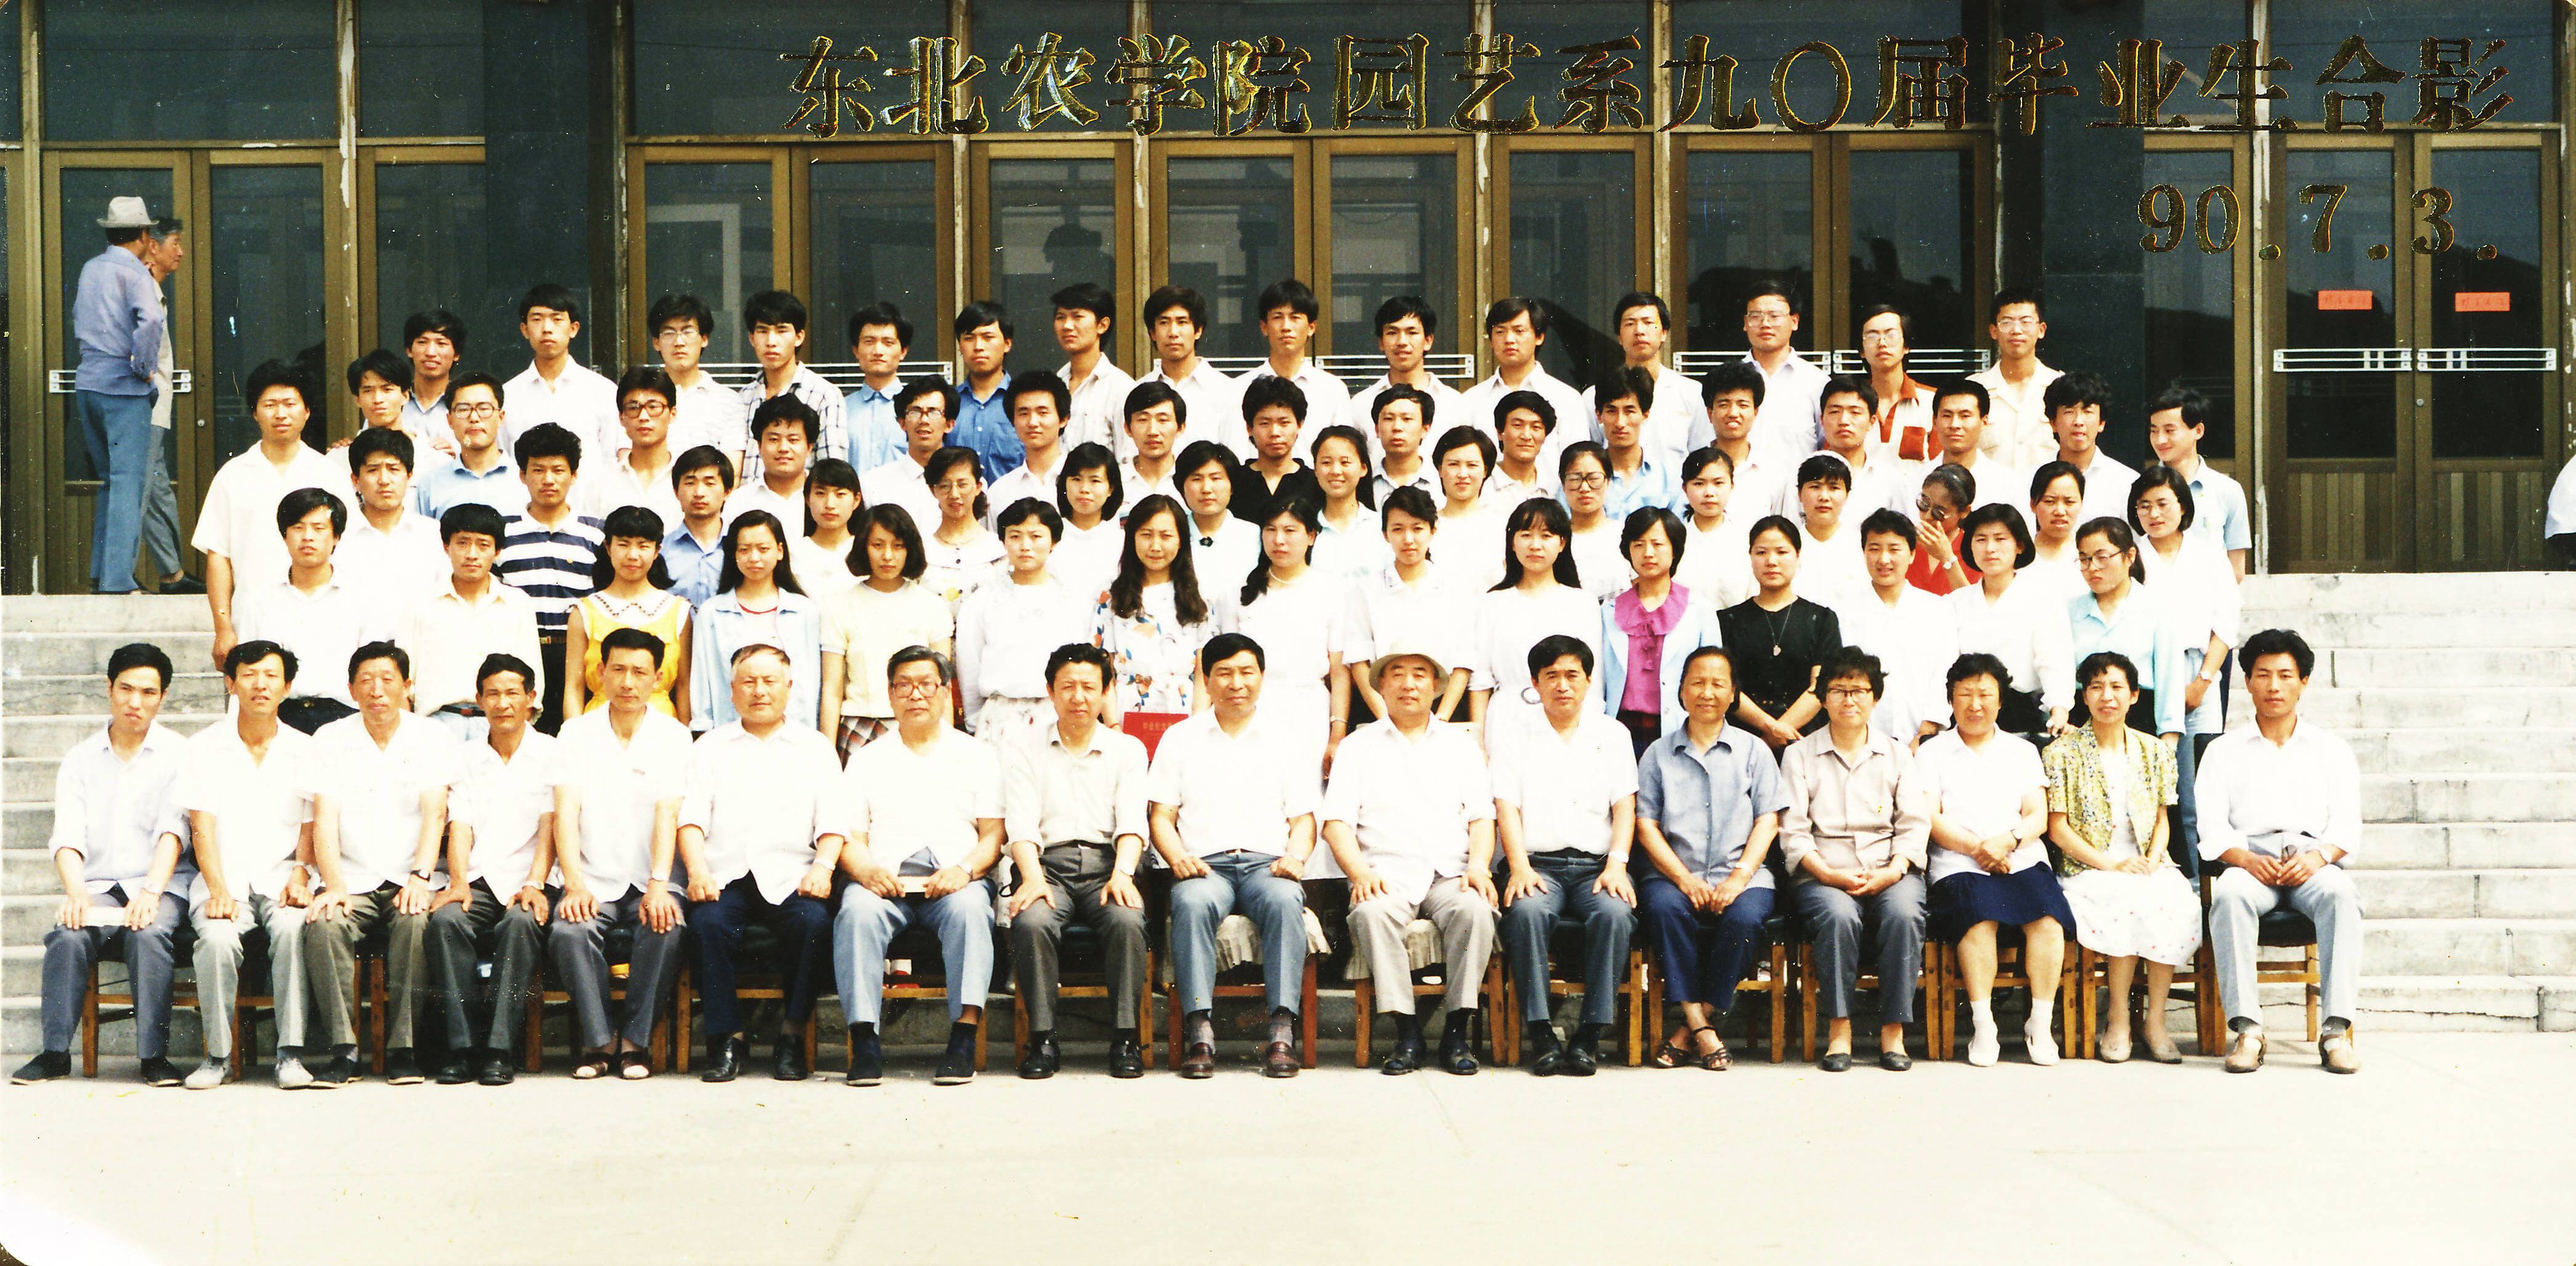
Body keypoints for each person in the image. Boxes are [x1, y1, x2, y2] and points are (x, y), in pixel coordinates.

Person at [14, 644, 190, 1087]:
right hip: (100, 886)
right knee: (68, 933)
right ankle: (55, 1052)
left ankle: (154, 1056)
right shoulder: (81, 758)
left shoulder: (179, 754)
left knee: (148, 933)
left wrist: (151, 891)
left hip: (162, 883)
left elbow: (174, 831)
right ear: (109, 688)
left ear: (163, 696)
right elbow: (67, 836)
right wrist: (76, 892)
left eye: (148, 692)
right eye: (126, 689)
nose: (136, 702)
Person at [1149, 636, 1322, 1077]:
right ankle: (1200, 1031)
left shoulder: (1285, 739)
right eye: (1223, 673)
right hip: (1205, 865)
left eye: (1246, 672)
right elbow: (1161, 816)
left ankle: (1281, 1032)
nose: (1236, 683)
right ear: (1206, 680)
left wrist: (1296, 857)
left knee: (1285, 900)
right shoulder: (1180, 738)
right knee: (1190, 902)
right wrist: (1177, 857)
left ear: (1262, 677)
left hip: (1267, 864)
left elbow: (1304, 820)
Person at [2196, 628, 2366, 1075]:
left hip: (2311, 859)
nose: (2274, 686)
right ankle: (2248, 1031)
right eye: (2263, 675)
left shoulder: (2331, 749)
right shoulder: (2222, 751)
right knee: (2229, 895)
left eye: (2285, 675)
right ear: (2247, 682)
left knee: (2342, 895)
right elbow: (2210, 827)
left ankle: (2336, 1032)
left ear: (2303, 682)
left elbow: (2347, 825)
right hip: (2250, 860)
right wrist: (2246, 859)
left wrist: (2318, 857)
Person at [1326, 643, 1500, 1076]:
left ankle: (1456, 1031)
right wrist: (1359, 873)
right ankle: (1407, 1033)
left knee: (1476, 909)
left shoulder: (1460, 745)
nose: (1409, 683)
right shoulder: (1357, 746)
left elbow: (1482, 817)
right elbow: (1336, 823)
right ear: (1381, 686)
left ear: (1436, 686)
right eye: (1397, 674)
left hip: (1451, 872)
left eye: (1420, 674)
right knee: (1370, 913)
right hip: (1385, 874)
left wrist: (1478, 866)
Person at [834, 647, 1005, 1086]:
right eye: (904, 685)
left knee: (971, 911)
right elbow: (851, 837)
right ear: (890, 694)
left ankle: (963, 1038)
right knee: (856, 912)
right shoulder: (867, 758)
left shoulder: (977, 754)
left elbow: (993, 835)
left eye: (927, 684)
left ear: (945, 692)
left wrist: (965, 870)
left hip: (955, 880)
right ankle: (865, 1041)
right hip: (884, 881)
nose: (916, 694)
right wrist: (867, 872)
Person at [679, 644, 846, 1082]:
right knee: (706, 925)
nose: (759, 691)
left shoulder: (814, 748)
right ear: (732, 689)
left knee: (813, 923)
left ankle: (791, 1035)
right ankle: (727, 1039)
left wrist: (823, 868)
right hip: (726, 875)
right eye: (748, 682)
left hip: (793, 875)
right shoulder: (710, 747)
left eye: (769, 681)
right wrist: (697, 871)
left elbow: (834, 821)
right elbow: (691, 820)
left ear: (789, 687)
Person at [301, 642, 458, 1087]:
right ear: (351, 689)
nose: (377, 690)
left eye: (388, 679)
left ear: (407, 686)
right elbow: (324, 820)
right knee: (325, 924)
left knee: (415, 921)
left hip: (412, 875)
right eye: (366, 680)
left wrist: (420, 877)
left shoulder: (432, 737)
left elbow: (436, 813)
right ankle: (343, 1049)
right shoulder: (330, 738)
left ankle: (403, 1049)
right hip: (351, 877)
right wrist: (333, 886)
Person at [174, 641, 323, 1089]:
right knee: (217, 939)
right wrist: (219, 890)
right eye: (249, 674)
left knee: (293, 928)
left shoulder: (305, 748)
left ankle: (290, 1054)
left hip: (283, 875)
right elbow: (201, 825)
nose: (261, 684)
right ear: (230, 682)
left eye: (271, 675)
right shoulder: (202, 747)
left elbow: (310, 822)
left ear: (287, 687)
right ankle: (217, 1056)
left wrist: (301, 873)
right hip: (223, 878)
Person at [548, 627, 695, 1080]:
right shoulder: (575, 733)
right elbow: (565, 811)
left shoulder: (674, 735)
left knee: (666, 926)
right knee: (570, 931)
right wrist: (574, 883)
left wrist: (658, 884)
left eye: (639, 672)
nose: (628, 682)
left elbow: (668, 811)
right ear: (600, 672)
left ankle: (635, 1042)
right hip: (591, 875)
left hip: (653, 875)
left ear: (658, 678)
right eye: (618, 670)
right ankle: (599, 1042)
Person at [1001, 644, 1153, 1079]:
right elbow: (1021, 824)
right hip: (1047, 865)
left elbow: (1132, 822)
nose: (1079, 697)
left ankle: (1125, 1038)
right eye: (1067, 686)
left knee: (1127, 920)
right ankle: (1042, 1039)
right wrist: (1032, 878)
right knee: (1032, 921)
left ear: (1106, 692)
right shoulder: (1024, 746)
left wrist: (1123, 874)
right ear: (1050, 691)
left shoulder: (1127, 750)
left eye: (1089, 687)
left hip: (1109, 865)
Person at [1492, 636, 1639, 1075]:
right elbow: (1506, 806)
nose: (1562, 685)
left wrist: (1617, 864)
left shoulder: (1612, 734)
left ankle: (1590, 1035)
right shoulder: (1515, 735)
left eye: (1572, 675)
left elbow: (1625, 806)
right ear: (1535, 683)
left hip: (1598, 867)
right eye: (1551, 676)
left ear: (1589, 681)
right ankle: (1541, 1033)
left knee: (1615, 913)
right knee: (1526, 912)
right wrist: (1518, 866)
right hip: (1538, 865)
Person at [1778, 649, 1930, 1071]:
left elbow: (1914, 824)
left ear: (1874, 697)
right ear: (1822, 698)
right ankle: (1839, 1028)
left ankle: (1893, 1030)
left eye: (1859, 690)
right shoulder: (1799, 755)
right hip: (1823, 870)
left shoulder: (1897, 754)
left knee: (1904, 913)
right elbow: (1793, 831)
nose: (1849, 700)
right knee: (1838, 916)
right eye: (1838, 690)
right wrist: (1827, 873)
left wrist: (1893, 871)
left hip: (1889, 867)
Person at [2046, 651, 2201, 1065]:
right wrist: (2110, 864)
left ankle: (2155, 1021)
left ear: (2134, 695)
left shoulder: (2154, 750)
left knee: (2172, 898)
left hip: (2145, 861)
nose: (2106, 696)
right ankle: (2117, 1019)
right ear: (2083, 696)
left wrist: (2153, 858)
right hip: (2088, 866)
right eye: (2096, 687)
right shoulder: (2061, 753)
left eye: (2116, 687)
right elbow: (2058, 829)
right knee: (2126, 899)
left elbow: (2163, 819)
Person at [1633, 646, 1784, 1071]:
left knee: (1746, 918)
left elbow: (1768, 820)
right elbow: (1646, 825)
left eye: (1718, 684)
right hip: (1673, 874)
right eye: (1697, 682)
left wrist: (1738, 877)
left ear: (1733, 694)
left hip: (1743, 874)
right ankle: (1703, 1027)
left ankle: (1689, 1029)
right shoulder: (1657, 753)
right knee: (1663, 910)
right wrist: (1683, 879)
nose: (1707, 692)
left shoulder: (1754, 751)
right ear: (1681, 691)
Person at [1920, 654, 2070, 1067]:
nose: (1975, 704)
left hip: (2019, 856)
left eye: (1985, 695)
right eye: (1964, 694)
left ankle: (2039, 1023)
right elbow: (1930, 817)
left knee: (2047, 920)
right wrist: (1978, 849)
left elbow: (2037, 814)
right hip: (1959, 862)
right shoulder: (1933, 753)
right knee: (1978, 918)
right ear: (1950, 700)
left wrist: (2008, 841)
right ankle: (1983, 1026)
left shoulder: (2022, 751)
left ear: (2000, 701)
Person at [425, 654, 562, 1086]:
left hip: (535, 877)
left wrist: (535, 883)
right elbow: (460, 825)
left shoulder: (551, 752)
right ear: (480, 699)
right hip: (481, 877)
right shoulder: (465, 756)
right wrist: (458, 882)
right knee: (446, 920)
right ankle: (462, 1047)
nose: (503, 703)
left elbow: (551, 825)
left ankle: (500, 1049)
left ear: (531, 698)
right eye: (493, 694)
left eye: (512, 693)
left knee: (520, 923)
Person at [197, 362, 343, 667]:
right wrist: (223, 629)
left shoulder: (329, 473)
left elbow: (346, 549)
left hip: (320, 616)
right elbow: (218, 556)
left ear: (307, 411)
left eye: (290, 404)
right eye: (270, 405)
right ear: (254, 412)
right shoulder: (233, 475)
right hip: (253, 618)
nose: (280, 414)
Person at [2132, 463, 2241, 856]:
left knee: (2198, 789)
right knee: (2154, 787)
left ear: (2183, 506)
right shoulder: (2131, 557)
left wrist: (2202, 682)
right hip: (2146, 679)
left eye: (2163, 504)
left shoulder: (2208, 556)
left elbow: (2226, 622)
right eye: (2144, 506)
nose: (2154, 514)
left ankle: (2200, 881)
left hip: (2198, 673)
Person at [73, 196, 170, 596]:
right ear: (144, 235)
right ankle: (117, 580)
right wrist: (143, 368)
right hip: (122, 388)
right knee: (129, 483)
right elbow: (152, 320)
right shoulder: (135, 273)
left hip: (88, 383)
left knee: (110, 482)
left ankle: (101, 573)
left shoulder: (91, 268)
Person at [1225, 495, 1352, 783]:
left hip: (1308, 712)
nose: (1279, 540)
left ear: (1311, 536)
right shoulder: (1240, 593)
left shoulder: (1331, 591)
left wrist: (1337, 734)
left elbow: (1339, 671)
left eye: (1290, 530)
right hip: (1251, 709)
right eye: (1270, 530)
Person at [494, 423, 607, 733]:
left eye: (558, 470)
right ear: (522, 475)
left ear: (574, 475)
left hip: (578, 658)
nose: (548, 480)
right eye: (538, 470)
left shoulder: (596, 534)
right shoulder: (502, 533)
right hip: (520, 654)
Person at [238, 489, 378, 734]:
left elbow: (373, 668)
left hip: (345, 718)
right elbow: (246, 671)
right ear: (284, 536)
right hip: (278, 719)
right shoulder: (260, 599)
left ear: (336, 537)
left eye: (319, 528)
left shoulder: (361, 597)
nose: (308, 537)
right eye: (298, 528)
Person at [401, 505, 544, 741]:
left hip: (498, 722)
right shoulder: (421, 603)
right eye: (462, 543)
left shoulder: (518, 604)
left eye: (483, 545)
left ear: (497, 551)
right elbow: (403, 678)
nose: (472, 554)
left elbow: (532, 678)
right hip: (435, 723)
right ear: (446, 546)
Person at [1469, 497, 1601, 748]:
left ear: (1562, 543)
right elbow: (1481, 681)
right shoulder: (1493, 602)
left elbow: (1593, 684)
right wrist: (1479, 744)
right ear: (1512, 542)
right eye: (1526, 535)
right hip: (1507, 720)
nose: (1535, 545)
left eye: (1546, 536)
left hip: (1566, 722)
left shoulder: (1582, 603)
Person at [820, 504, 951, 754]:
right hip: (860, 726)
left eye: (898, 546)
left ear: (910, 549)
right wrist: (827, 755)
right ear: (863, 547)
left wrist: (946, 748)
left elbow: (942, 688)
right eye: (878, 545)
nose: (888, 556)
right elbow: (832, 690)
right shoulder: (840, 606)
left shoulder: (931, 606)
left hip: (919, 725)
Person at [957, 498, 1091, 739]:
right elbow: (969, 667)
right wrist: (974, 722)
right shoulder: (982, 602)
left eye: (1036, 536)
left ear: (1054, 542)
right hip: (999, 718)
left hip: (1056, 715)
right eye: (1015, 536)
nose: (1025, 546)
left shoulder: (1073, 600)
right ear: (1003, 541)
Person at [1596, 507, 1720, 753]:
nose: (1648, 553)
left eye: (1657, 544)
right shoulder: (1608, 610)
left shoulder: (1699, 609)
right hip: (1620, 726)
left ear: (1675, 549)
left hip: (1680, 727)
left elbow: (1714, 673)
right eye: (1639, 544)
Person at [1718, 514, 1845, 750]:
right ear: (1750, 557)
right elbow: (1728, 687)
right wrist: (1770, 730)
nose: (1771, 561)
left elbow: (1821, 686)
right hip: (1743, 744)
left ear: (1798, 556)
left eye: (1782, 552)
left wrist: (1777, 733)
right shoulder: (1727, 621)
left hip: (1806, 742)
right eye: (1761, 552)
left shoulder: (1822, 619)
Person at [1948, 503, 2074, 737]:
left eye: (2000, 539)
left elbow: (2054, 661)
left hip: (2021, 715)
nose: (1990, 548)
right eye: (1981, 540)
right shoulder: (1954, 603)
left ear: (2020, 546)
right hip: (1967, 713)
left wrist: (2059, 710)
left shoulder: (2042, 599)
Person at [691, 509, 823, 734]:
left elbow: (812, 684)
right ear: (733, 554)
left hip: (793, 735)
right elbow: (702, 681)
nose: (754, 558)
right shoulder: (712, 612)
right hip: (729, 734)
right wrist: (703, 731)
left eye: (763, 549)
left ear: (780, 551)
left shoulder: (804, 611)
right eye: (744, 550)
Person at [1091, 493, 1217, 729]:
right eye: (1146, 535)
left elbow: (1204, 671)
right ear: (1132, 538)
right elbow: (1103, 669)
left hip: (1183, 713)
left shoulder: (1200, 596)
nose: (1155, 546)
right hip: (1126, 712)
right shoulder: (1111, 595)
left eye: (1166, 536)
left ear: (1181, 540)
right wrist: (1113, 726)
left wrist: (1197, 724)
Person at [1346, 487, 1471, 721]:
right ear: (1385, 534)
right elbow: (1359, 661)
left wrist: (1442, 719)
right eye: (1398, 529)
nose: (1408, 540)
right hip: (1382, 707)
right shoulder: (1366, 590)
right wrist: (1386, 720)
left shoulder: (1455, 589)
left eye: (1417, 529)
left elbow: (1463, 662)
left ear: (1433, 531)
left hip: (1443, 709)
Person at [1832, 509, 1956, 745]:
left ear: (1912, 554)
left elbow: (1945, 673)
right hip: (1861, 741)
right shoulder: (1844, 612)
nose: (1884, 559)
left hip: (1926, 741)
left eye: (1894, 549)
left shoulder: (1937, 610)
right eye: (1874, 549)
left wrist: (1925, 733)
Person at [2070, 518, 2188, 752]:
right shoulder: (2069, 611)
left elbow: (2170, 681)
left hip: (2140, 721)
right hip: (2081, 724)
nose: (2092, 568)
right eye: (2084, 559)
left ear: (2130, 556)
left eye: (2102, 557)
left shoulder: (2158, 609)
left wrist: (2168, 743)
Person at [565, 505, 691, 720]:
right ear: (608, 547)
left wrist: (685, 734)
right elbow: (574, 687)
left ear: (657, 551)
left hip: (661, 727)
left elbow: (684, 686)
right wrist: (573, 733)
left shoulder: (678, 610)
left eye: (643, 546)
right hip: (599, 726)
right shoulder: (585, 611)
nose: (633, 555)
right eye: (623, 544)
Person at [1455, 298, 1585, 475]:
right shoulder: (1471, 400)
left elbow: (1578, 464)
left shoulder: (1566, 398)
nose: (1509, 339)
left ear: (1539, 337)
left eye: (1519, 331)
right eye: (1500, 331)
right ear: (1491, 340)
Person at [1585, 292, 1710, 468]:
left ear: (1664, 333)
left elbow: (1702, 457)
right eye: (1630, 324)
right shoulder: (1593, 396)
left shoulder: (1692, 393)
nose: (1639, 331)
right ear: (1619, 336)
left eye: (1648, 323)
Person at [335, 428, 450, 617]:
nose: (384, 480)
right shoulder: (339, 536)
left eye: (393, 469)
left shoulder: (431, 534)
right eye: (373, 470)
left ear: (409, 475)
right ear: (355, 480)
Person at [2144, 384, 2252, 580]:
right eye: (2154, 431)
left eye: (2169, 430)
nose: (2160, 440)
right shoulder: (2140, 489)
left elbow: (2236, 570)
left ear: (2198, 431)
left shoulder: (2228, 490)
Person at [502, 283, 619, 462]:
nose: (547, 328)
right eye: (537, 319)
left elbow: (612, 460)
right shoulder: (508, 395)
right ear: (525, 330)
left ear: (573, 329)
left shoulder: (603, 391)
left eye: (557, 319)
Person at [1237, 278, 1351, 453]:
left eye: (1295, 318)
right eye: (1277, 317)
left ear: (1311, 327)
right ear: (1264, 327)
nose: (1286, 327)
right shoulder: (1239, 388)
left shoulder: (1333, 390)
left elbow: (1342, 452)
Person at [1336, 294, 1460, 452]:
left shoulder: (1454, 403)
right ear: (1381, 342)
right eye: (1392, 333)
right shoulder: (1361, 404)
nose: (1402, 342)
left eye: (1412, 333)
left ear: (1428, 341)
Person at [738, 288, 848, 465]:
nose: (771, 342)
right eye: (763, 331)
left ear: (799, 337)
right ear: (752, 338)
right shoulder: (743, 397)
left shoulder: (824, 395)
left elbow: (832, 470)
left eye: (781, 331)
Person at [648, 294, 751, 476]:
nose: (679, 342)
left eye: (688, 332)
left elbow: (732, 474)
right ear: (656, 342)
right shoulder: (644, 399)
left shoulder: (729, 401)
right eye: (669, 333)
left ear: (704, 339)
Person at [1136, 285, 1244, 456]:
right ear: (1152, 333)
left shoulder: (1227, 391)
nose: (1173, 333)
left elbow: (1236, 457)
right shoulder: (1137, 391)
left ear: (1198, 330)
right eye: (1164, 323)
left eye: (1182, 322)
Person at [1967, 287, 2066, 471]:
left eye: (2026, 322)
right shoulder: (1973, 389)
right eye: (2006, 322)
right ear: (1993, 331)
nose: (2016, 330)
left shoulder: (2061, 386)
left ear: (2041, 330)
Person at [413, 373, 528, 523]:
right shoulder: (430, 485)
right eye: (463, 409)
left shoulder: (526, 481)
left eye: (484, 409)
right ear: (449, 420)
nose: (474, 418)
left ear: (501, 417)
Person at [1735, 281, 1827, 468]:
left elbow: (1827, 444)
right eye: (1756, 316)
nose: (1765, 324)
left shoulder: (1816, 382)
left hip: (1797, 485)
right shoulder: (1729, 379)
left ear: (1794, 321)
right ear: (1745, 323)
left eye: (1775, 316)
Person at [587, 365, 686, 527]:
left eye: (653, 407)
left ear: (672, 413)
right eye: (633, 408)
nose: (643, 417)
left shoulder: (687, 479)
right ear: (621, 417)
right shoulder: (602, 483)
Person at [1802, 375, 1910, 521]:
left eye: (1855, 413)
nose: (1844, 421)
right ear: (1822, 420)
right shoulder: (1802, 476)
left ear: (1871, 422)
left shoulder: (1891, 481)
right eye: (1835, 412)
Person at [1052, 282, 1137, 455]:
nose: (1067, 326)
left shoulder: (1121, 388)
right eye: (1061, 317)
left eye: (1077, 317)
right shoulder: (1054, 384)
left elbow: (1128, 458)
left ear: (1102, 325)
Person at [2046, 373, 2139, 528]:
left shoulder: (2127, 482)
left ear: (2101, 423)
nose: (2078, 421)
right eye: (2069, 412)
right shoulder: (2031, 479)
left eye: (2088, 412)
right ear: (2053, 423)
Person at [920, 445, 1005, 611]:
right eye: (945, 485)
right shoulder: (923, 549)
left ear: (978, 487)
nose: (954, 494)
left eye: (962, 485)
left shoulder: (998, 549)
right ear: (933, 490)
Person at [1593, 367, 1683, 523]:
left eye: (1630, 411)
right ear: (1599, 415)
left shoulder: (1668, 478)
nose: (1620, 423)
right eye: (1612, 411)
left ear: (1645, 414)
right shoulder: (1584, 479)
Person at [1856, 307, 1936, 479]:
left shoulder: (1932, 401)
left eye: (1891, 335)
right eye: (1872, 336)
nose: (1882, 343)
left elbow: (1942, 466)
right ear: (1862, 351)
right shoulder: (1850, 404)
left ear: (1906, 346)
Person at [1426, 426, 1506, 596]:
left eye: (1472, 465)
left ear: (1485, 471)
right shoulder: (1425, 527)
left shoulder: (1502, 525)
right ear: (1440, 470)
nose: (1463, 474)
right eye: (1453, 464)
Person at [986, 371, 1074, 524]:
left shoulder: (1083, 484)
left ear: (1063, 419)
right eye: (1024, 413)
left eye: (1042, 413)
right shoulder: (1000, 491)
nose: (1033, 422)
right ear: (1013, 420)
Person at [948, 301, 1022, 482]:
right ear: (960, 346)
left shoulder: (1023, 403)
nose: (978, 346)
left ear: (1007, 344)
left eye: (988, 337)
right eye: (969, 338)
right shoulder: (949, 404)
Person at [1306, 424, 1391, 582]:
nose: (1336, 471)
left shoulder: (1381, 526)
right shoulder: (1304, 528)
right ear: (1315, 469)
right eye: (1326, 463)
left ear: (1363, 468)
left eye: (1345, 462)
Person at [1674, 447, 1753, 612]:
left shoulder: (1746, 541)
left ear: (1731, 485)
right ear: (1685, 488)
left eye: (1718, 483)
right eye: (1699, 484)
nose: (1709, 493)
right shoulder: (1674, 542)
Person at [1787, 453, 1869, 612]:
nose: (1824, 497)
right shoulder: (1786, 548)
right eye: (1815, 487)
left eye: (1834, 488)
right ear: (1799, 494)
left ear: (1847, 495)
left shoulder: (1861, 547)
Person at [1233, 376, 1324, 519]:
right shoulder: (1234, 482)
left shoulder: (1316, 483)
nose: (1275, 432)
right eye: (1265, 423)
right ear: (1249, 428)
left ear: (1299, 425)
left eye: (1284, 423)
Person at [842, 301, 915, 474]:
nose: (878, 351)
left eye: (888, 343)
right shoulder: (841, 408)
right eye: (869, 342)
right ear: (856, 351)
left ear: (903, 351)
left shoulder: (917, 408)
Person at [1176, 440, 1259, 591]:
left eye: (1216, 478)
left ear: (1232, 486)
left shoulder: (1253, 534)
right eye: (1196, 479)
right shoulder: (1173, 534)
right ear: (1182, 487)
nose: (1207, 489)